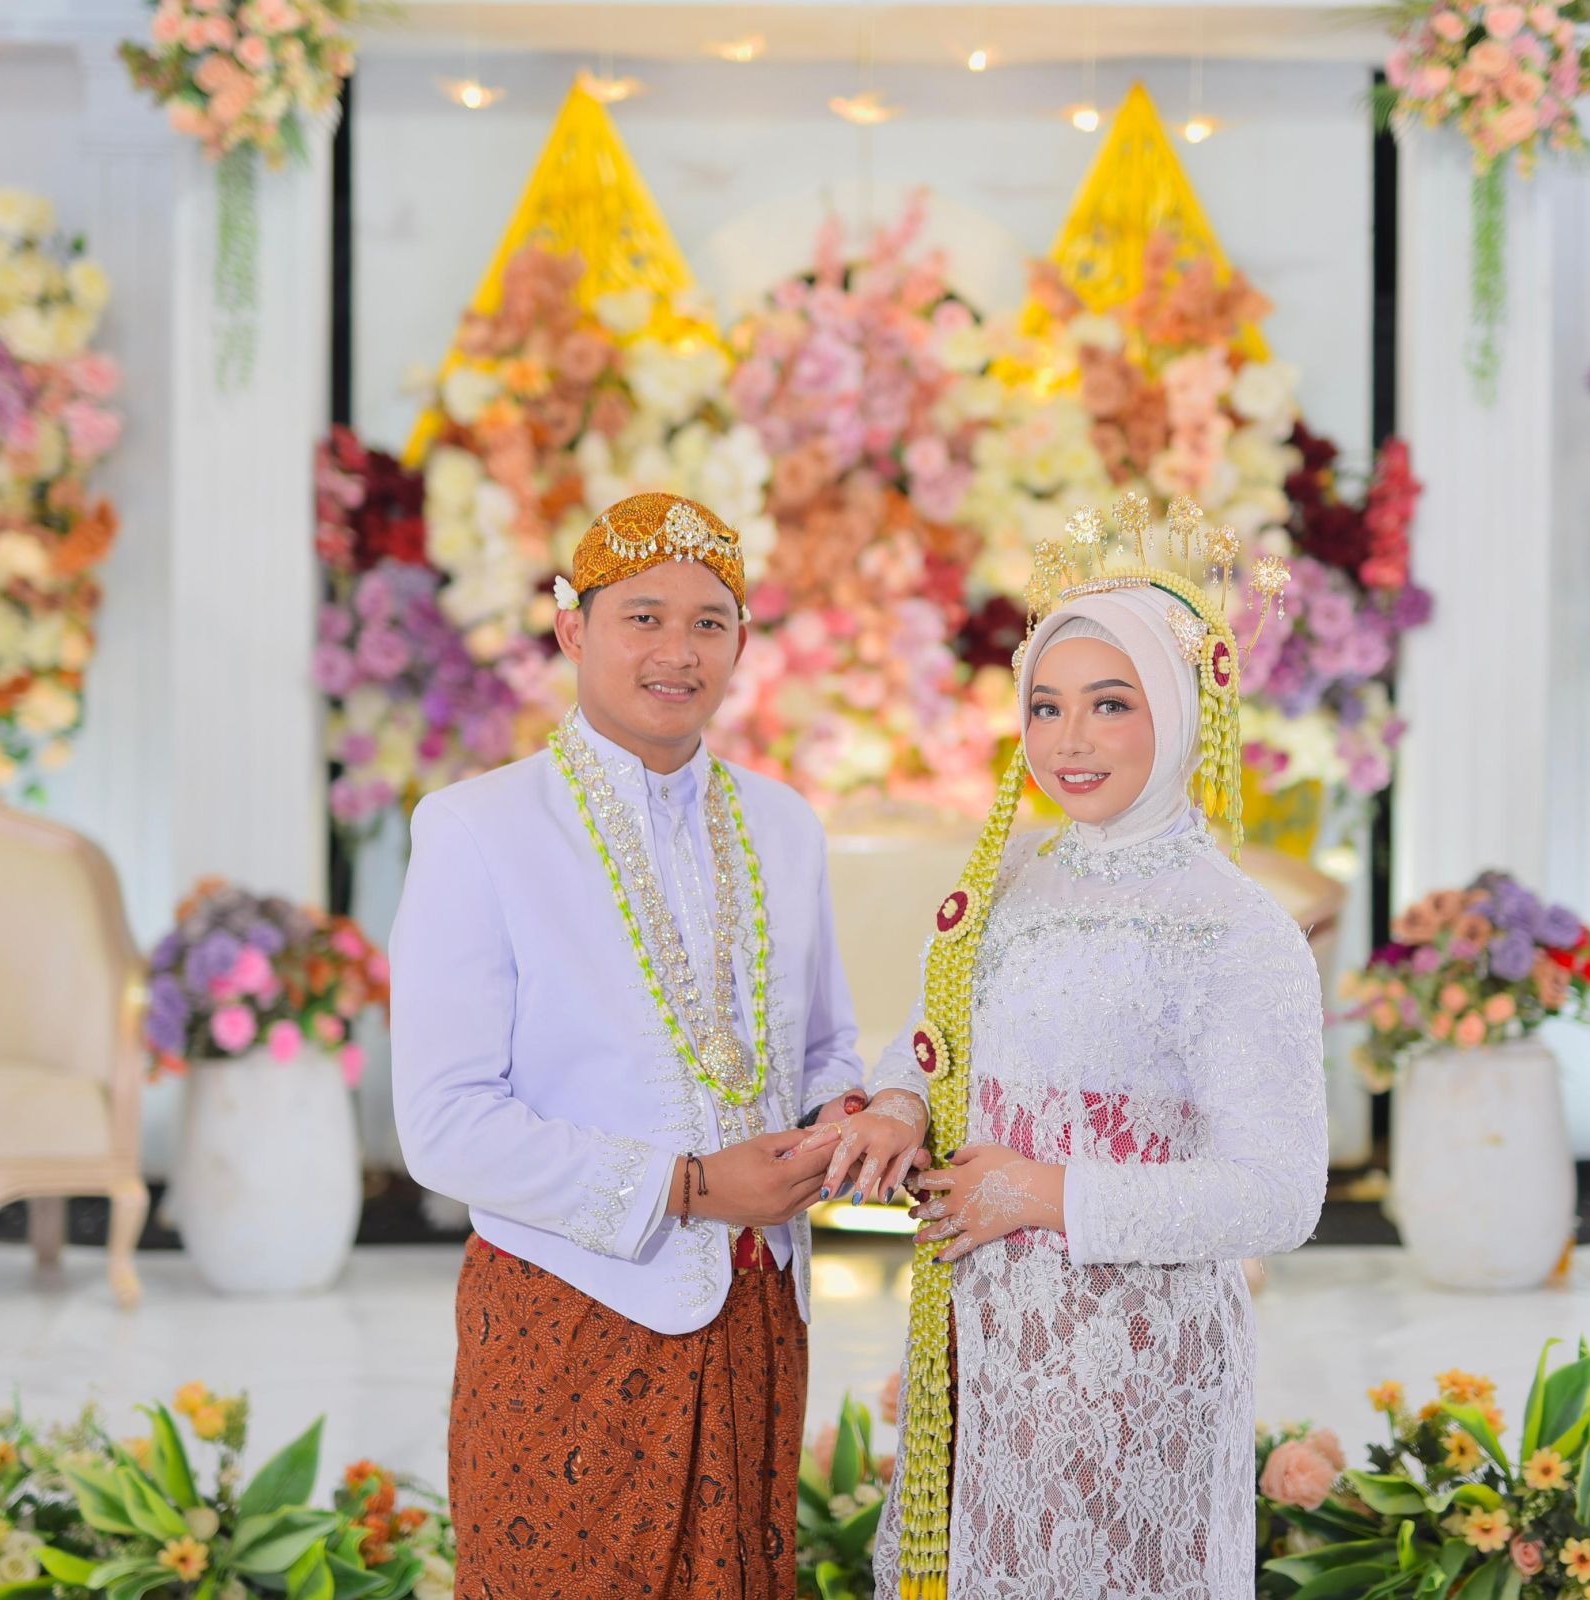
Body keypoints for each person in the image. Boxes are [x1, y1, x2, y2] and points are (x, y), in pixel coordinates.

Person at [829, 499, 1330, 1599]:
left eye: (1111, 703)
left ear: (1183, 710)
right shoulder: (1008, 881)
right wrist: (900, 1104)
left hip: (1139, 1360)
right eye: (1046, 706)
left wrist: (1041, 1192)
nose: (1069, 739)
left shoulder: (1233, 927)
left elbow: (1279, 1193)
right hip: (980, 1343)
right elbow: (934, 1040)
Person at [391, 491, 868, 1600]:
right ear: (572, 627)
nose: (677, 651)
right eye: (642, 617)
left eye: (709, 622)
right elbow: (445, 1124)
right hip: (567, 1320)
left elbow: (826, 1048)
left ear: (742, 642)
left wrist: (840, 1121)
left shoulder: (785, 824)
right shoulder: (476, 829)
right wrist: (690, 1186)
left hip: (757, 1313)